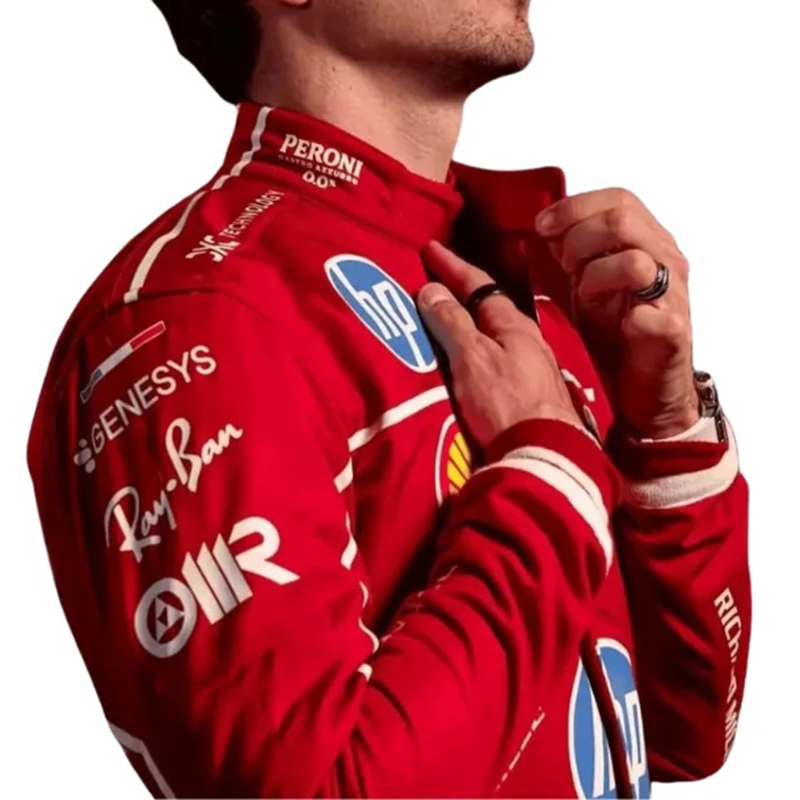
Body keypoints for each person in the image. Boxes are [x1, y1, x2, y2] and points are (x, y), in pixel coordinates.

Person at [27, 1, 750, 797]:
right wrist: (547, 466)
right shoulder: (188, 320)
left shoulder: (524, 270)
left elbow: (685, 732)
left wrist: (666, 433)